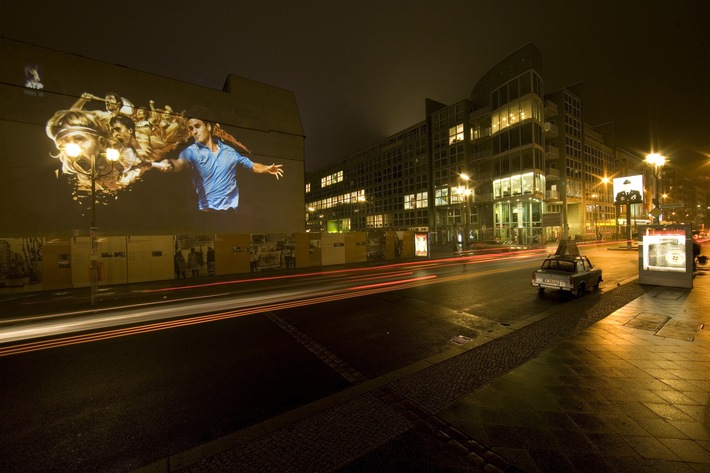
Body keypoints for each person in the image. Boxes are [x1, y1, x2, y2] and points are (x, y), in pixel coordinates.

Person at [154, 110, 284, 214]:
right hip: (207, 215)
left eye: (197, 126)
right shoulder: (190, 152)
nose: (194, 132)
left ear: (209, 127)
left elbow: (252, 165)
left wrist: (266, 169)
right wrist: (169, 164)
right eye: (191, 128)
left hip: (231, 214)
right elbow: (180, 163)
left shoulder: (230, 151)